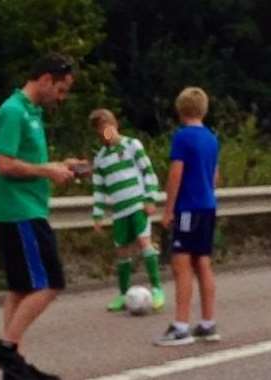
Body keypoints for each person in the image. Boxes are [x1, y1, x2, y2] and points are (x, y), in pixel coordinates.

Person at [0, 53, 87, 380]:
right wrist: (47, 171)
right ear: (45, 79)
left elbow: (25, 161)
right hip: (19, 210)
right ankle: (6, 350)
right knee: (50, 282)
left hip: (26, 206)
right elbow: (4, 164)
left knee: (21, 287)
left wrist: (59, 166)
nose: (62, 96)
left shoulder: (31, 112)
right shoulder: (13, 111)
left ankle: (14, 369)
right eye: (61, 88)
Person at [155, 87, 221, 346]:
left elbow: (175, 174)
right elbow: (215, 175)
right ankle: (208, 323)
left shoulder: (182, 137)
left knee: (181, 264)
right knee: (202, 262)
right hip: (207, 205)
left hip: (188, 207)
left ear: (180, 110)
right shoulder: (212, 138)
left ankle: (181, 326)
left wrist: (168, 209)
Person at [89, 109, 165, 312]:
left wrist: (150, 197)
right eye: (101, 130)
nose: (106, 132)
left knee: (144, 242)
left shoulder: (132, 145)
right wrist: (97, 214)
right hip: (119, 210)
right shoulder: (101, 159)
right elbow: (99, 190)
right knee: (121, 250)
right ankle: (123, 294)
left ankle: (157, 289)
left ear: (115, 125)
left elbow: (148, 172)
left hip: (137, 204)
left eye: (108, 127)